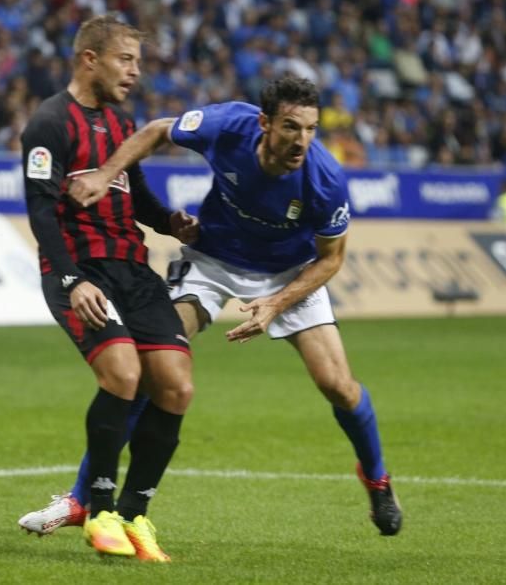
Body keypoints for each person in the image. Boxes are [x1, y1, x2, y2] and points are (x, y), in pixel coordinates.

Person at [20, 75, 403, 538]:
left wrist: (276, 304)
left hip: (288, 272)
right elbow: (159, 130)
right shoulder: (227, 125)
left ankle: (377, 479)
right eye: (290, 127)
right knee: (154, 368)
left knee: (338, 386)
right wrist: (105, 174)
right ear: (265, 123)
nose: (301, 140)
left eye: (310, 129)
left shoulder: (323, 180)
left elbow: (331, 259)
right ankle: (84, 499)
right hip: (212, 260)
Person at [18, 14, 198, 562]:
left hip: (134, 269)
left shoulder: (122, 127)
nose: (135, 73)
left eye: (138, 62)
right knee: (123, 373)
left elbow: (137, 196)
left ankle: (135, 513)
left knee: (175, 385)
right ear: (89, 58)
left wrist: (170, 223)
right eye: (126, 60)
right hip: (81, 272)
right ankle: (98, 513)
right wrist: (71, 281)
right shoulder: (48, 123)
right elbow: (42, 213)